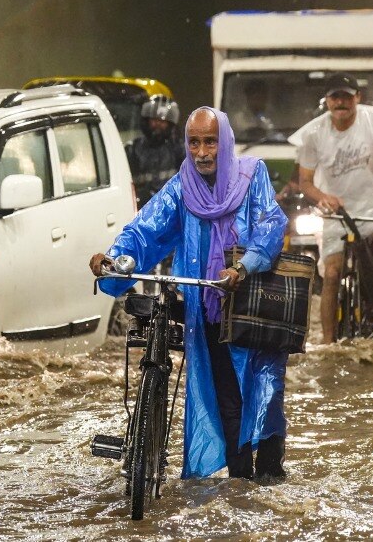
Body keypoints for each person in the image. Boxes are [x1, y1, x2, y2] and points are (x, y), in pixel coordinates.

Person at [89, 107, 289, 480]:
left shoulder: (252, 176)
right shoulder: (181, 188)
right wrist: (114, 260)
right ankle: (241, 484)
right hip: (211, 309)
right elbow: (145, 231)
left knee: (265, 393)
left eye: (210, 141)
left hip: (256, 309)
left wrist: (244, 265)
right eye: (194, 142)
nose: (201, 152)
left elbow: (271, 224)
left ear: (224, 142)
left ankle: (270, 481)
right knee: (228, 400)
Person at [291, 72, 373, 342]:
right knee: (331, 273)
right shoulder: (313, 134)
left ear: (357, 97)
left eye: (346, 96)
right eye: (335, 97)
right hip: (336, 213)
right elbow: (305, 182)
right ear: (327, 101)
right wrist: (322, 197)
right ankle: (328, 343)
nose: (340, 102)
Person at [125, 94, 184, 206]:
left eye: (163, 121)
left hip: (171, 208)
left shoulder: (179, 150)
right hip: (140, 209)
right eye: (154, 120)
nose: (158, 124)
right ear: (146, 121)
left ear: (170, 123)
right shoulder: (132, 150)